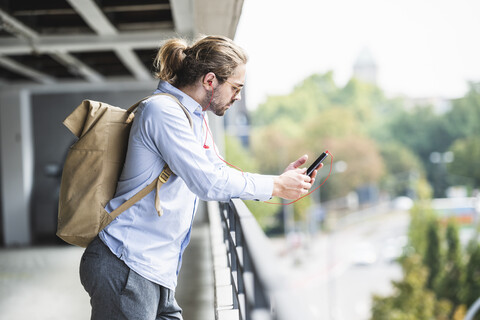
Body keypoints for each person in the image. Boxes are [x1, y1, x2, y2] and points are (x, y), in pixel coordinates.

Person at [79, 35, 320, 320]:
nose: (238, 96)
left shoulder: (194, 117)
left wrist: (278, 179)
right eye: (235, 87)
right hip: (127, 264)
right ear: (209, 81)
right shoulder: (163, 112)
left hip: (155, 268)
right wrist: (276, 186)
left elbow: (219, 172)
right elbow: (207, 182)